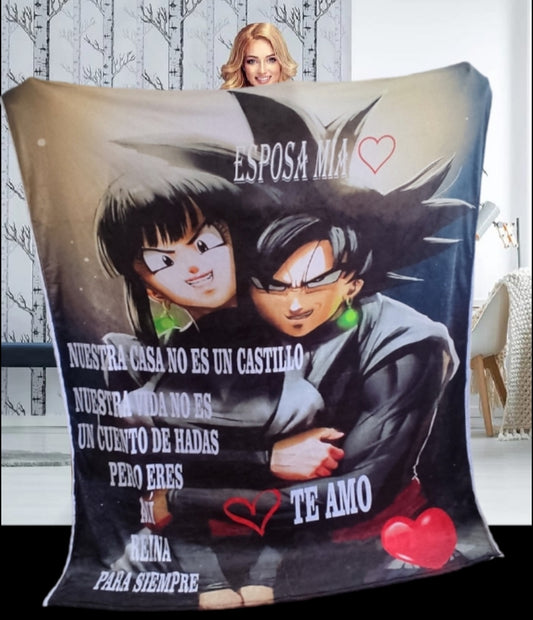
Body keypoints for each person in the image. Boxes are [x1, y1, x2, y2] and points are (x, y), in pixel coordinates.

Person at [220, 22, 297, 89]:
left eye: (271, 60)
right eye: (252, 61)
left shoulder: (296, 98)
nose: (262, 71)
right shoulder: (228, 100)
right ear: (242, 65)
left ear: (282, 62)